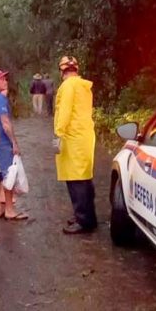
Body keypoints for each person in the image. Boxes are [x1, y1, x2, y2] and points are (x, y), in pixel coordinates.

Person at [53, 56, 97, 234]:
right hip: (85, 136)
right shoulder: (84, 86)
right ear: (76, 69)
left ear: (61, 71)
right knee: (85, 178)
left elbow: (64, 112)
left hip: (72, 138)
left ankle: (83, 220)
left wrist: (58, 134)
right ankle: (87, 216)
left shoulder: (68, 86)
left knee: (76, 180)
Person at [0, 69, 29, 221]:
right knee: (9, 174)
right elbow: (6, 123)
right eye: (2, 79)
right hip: (2, 142)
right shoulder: (0, 99)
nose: (5, 81)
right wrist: (14, 142)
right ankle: (9, 209)